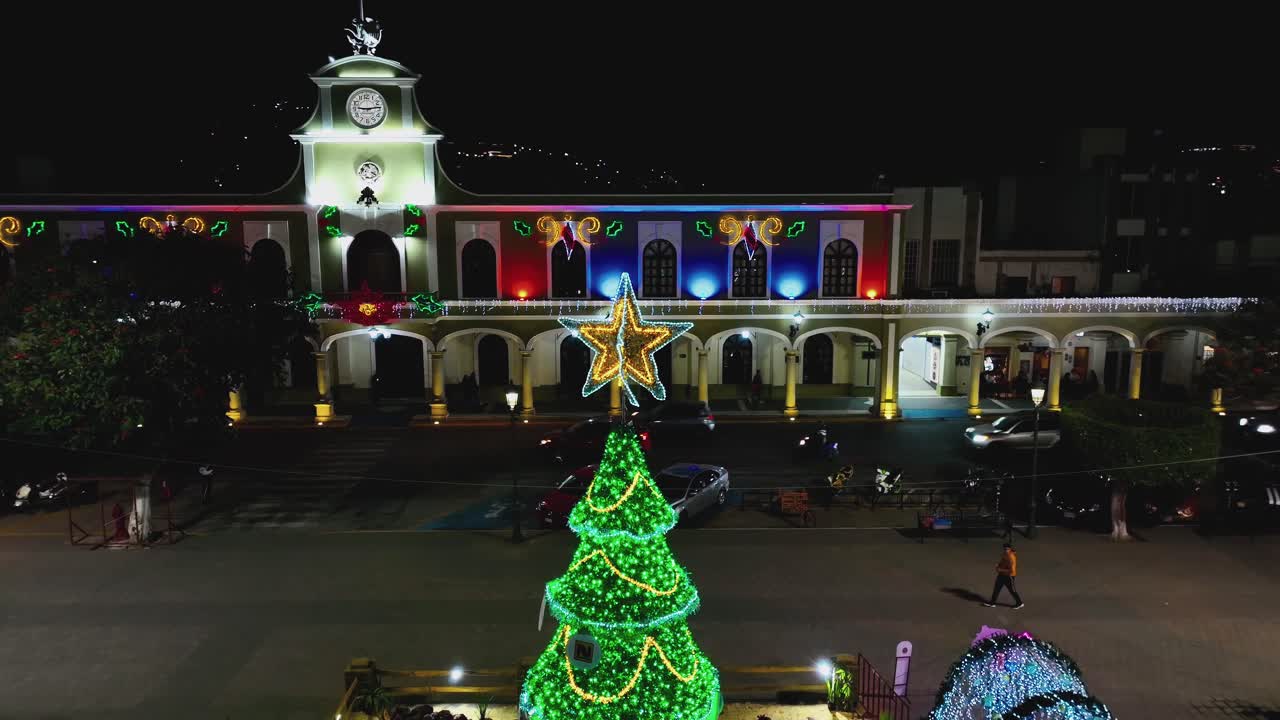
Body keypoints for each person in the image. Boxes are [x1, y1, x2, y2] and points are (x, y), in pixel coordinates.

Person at [984, 542, 1024, 608]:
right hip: (1002, 575)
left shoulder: (1012, 557)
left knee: (1012, 590)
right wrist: (998, 565)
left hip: (1009, 576)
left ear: (1010, 549)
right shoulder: (1005, 554)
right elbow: (1002, 561)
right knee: (996, 588)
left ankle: (1019, 603)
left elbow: (1012, 570)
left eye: (1007, 549)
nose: (1006, 550)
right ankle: (992, 603)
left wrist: (1000, 570)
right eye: (1005, 549)